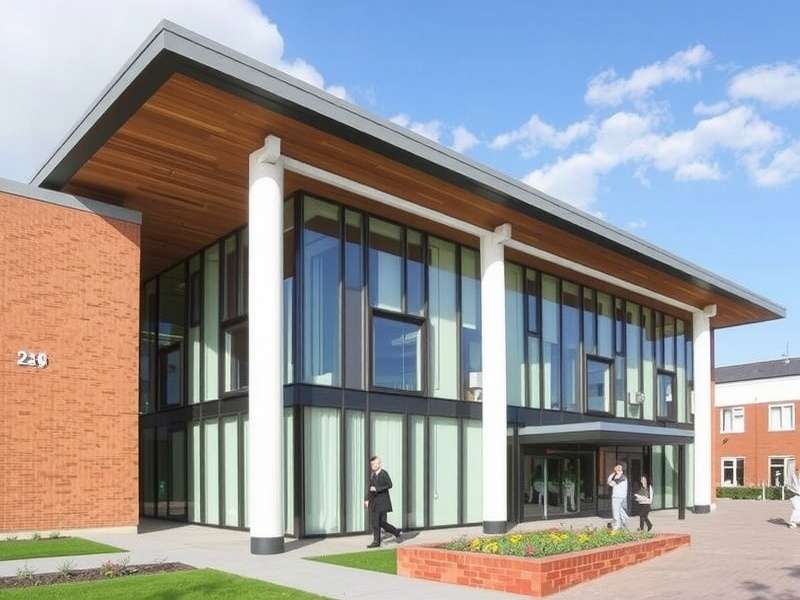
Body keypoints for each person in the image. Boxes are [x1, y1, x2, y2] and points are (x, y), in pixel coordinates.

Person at [364, 455, 403, 548]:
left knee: (379, 523)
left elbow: (390, 485)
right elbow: (369, 488)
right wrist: (366, 499)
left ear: (379, 464)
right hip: (374, 502)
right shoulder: (372, 475)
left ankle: (376, 542)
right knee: (379, 522)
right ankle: (396, 532)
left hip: (382, 502)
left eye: (374, 464)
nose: (372, 465)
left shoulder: (384, 473)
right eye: (371, 464)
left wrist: (377, 489)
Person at [607, 464, 629, 530]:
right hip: (621, 497)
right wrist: (613, 474)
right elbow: (609, 482)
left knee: (616, 511)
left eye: (618, 469)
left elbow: (610, 483)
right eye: (616, 469)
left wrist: (613, 474)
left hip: (617, 497)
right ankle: (623, 523)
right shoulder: (622, 477)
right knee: (620, 511)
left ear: (621, 470)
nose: (616, 471)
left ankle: (617, 526)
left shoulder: (621, 477)